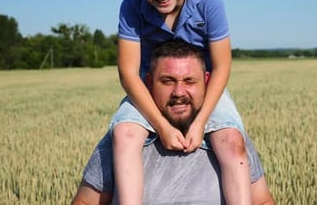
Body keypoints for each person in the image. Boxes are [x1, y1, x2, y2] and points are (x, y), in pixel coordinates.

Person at [111, 0, 251, 204]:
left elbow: (222, 66)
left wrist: (200, 123)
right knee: (123, 133)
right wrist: (162, 126)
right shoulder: (130, 6)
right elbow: (128, 73)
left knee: (233, 143)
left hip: (204, 88)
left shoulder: (210, 2)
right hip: (151, 90)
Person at [71, 40, 275, 204]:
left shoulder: (229, 138)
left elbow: (262, 201)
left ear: (206, 82)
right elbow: (85, 201)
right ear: (149, 83)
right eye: (167, 81)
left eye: (189, 81)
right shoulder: (124, 138)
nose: (179, 92)